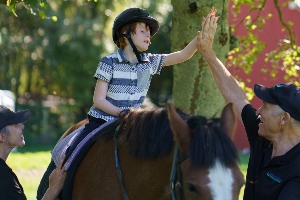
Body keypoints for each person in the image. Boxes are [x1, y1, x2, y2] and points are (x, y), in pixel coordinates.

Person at [64, 7, 217, 161]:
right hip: (102, 122)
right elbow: (99, 100)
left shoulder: (150, 62)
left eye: (149, 32)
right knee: (74, 151)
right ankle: (59, 178)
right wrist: (121, 113)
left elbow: (183, 55)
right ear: (125, 33)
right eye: (143, 31)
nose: (148, 35)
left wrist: (202, 34)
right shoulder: (108, 62)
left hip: (131, 125)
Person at [196, 7, 300, 199]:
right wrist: (208, 53)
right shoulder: (265, 133)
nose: (258, 111)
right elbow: (237, 97)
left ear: (284, 119)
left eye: (266, 107)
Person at [0, 105, 67, 200]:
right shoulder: (4, 178)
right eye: (15, 125)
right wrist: (54, 188)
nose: (22, 126)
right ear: (2, 137)